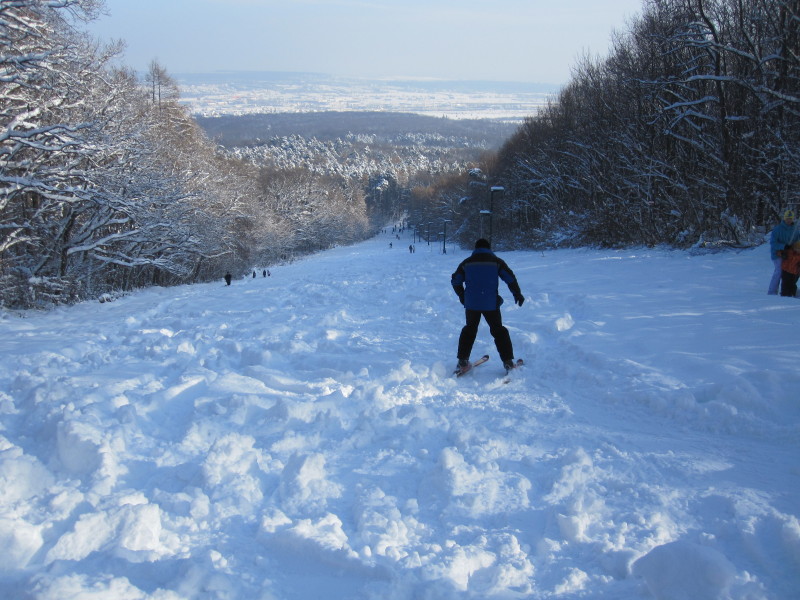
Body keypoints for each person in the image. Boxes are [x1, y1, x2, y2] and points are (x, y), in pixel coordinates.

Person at [451, 238, 524, 371]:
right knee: (499, 331)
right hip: (491, 304)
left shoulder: (466, 263)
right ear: (489, 248)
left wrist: (462, 296)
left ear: (475, 248)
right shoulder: (496, 262)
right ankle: (508, 361)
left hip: (472, 304)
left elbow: (455, 281)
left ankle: (462, 361)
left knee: (469, 330)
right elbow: (510, 278)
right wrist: (517, 294)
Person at [768, 209, 799, 295]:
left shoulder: (795, 230)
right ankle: (772, 291)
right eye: (787, 218)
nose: (789, 220)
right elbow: (773, 243)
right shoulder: (778, 229)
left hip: (790, 255)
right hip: (778, 254)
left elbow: (797, 241)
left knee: (792, 272)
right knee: (779, 271)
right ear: (784, 218)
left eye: (790, 218)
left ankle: (791, 290)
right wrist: (783, 246)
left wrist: (795, 248)